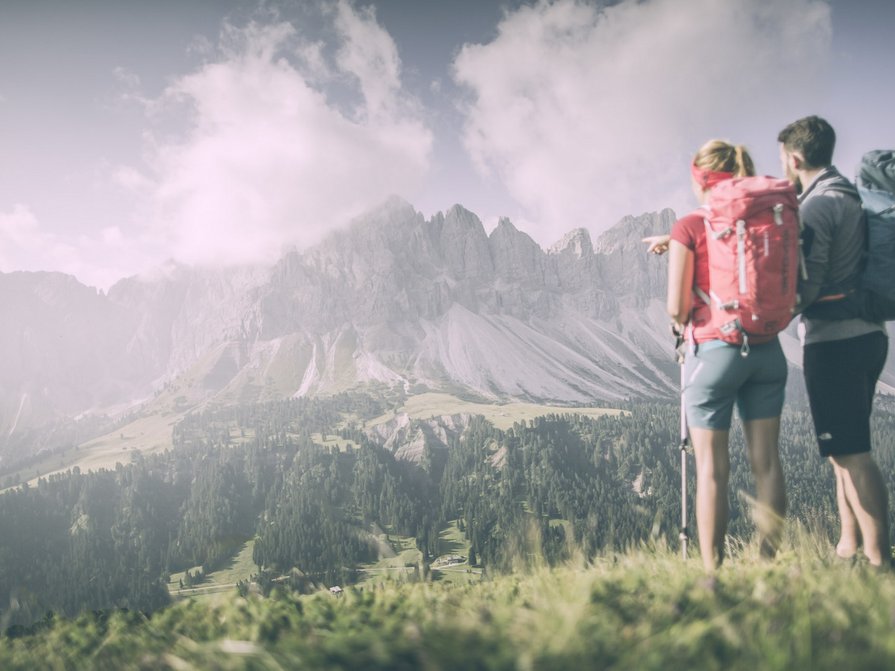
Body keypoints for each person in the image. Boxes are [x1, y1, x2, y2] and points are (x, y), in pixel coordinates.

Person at [662, 140, 788, 572]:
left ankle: (712, 573)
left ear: (701, 179)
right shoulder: (769, 218)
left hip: (715, 354)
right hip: (769, 351)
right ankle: (768, 565)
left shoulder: (690, 226)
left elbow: (677, 309)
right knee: (767, 463)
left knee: (712, 470)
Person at [778, 116, 891, 567]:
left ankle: (880, 559)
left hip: (834, 341)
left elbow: (810, 280)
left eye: (783, 156)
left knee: (853, 454)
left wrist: (774, 313)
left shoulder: (818, 206)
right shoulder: (850, 195)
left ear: (795, 157)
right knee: (842, 452)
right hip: (868, 333)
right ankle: (849, 547)